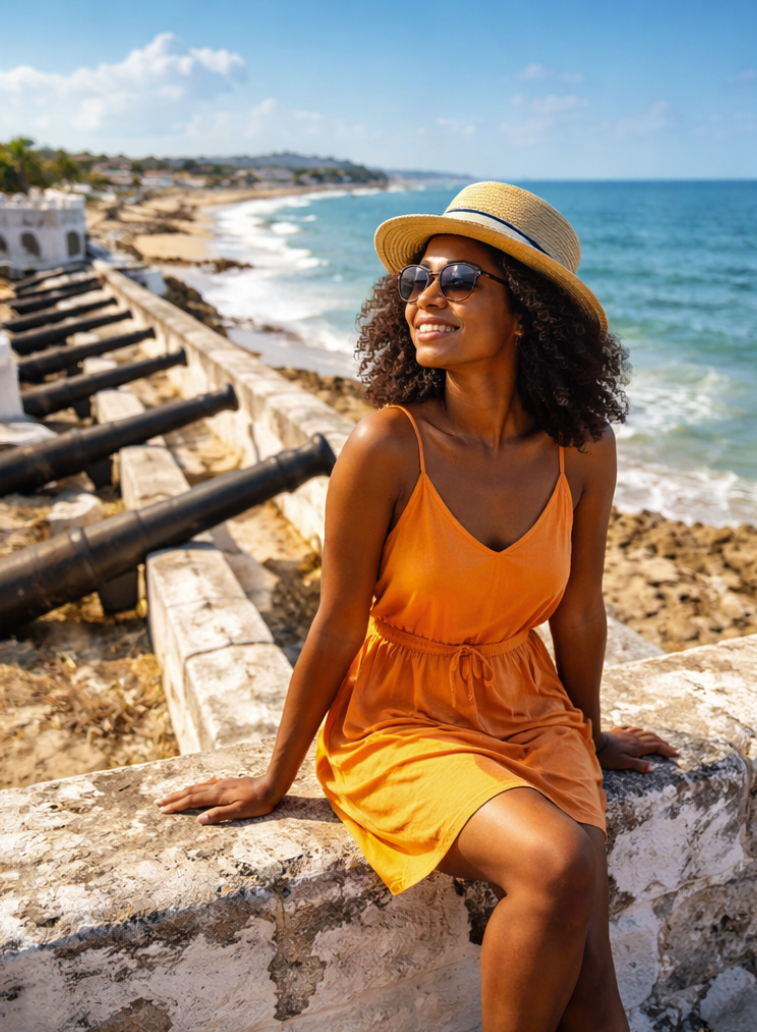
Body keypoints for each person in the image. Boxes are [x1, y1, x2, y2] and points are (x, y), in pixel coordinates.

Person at [157, 182, 678, 1032]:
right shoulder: (387, 443)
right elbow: (333, 624)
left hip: (530, 706)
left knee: (595, 989)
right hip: (400, 717)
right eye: (414, 282)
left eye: (459, 280)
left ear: (526, 314)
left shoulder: (582, 448)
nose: (424, 298)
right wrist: (273, 778)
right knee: (555, 864)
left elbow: (579, 613)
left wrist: (587, 732)